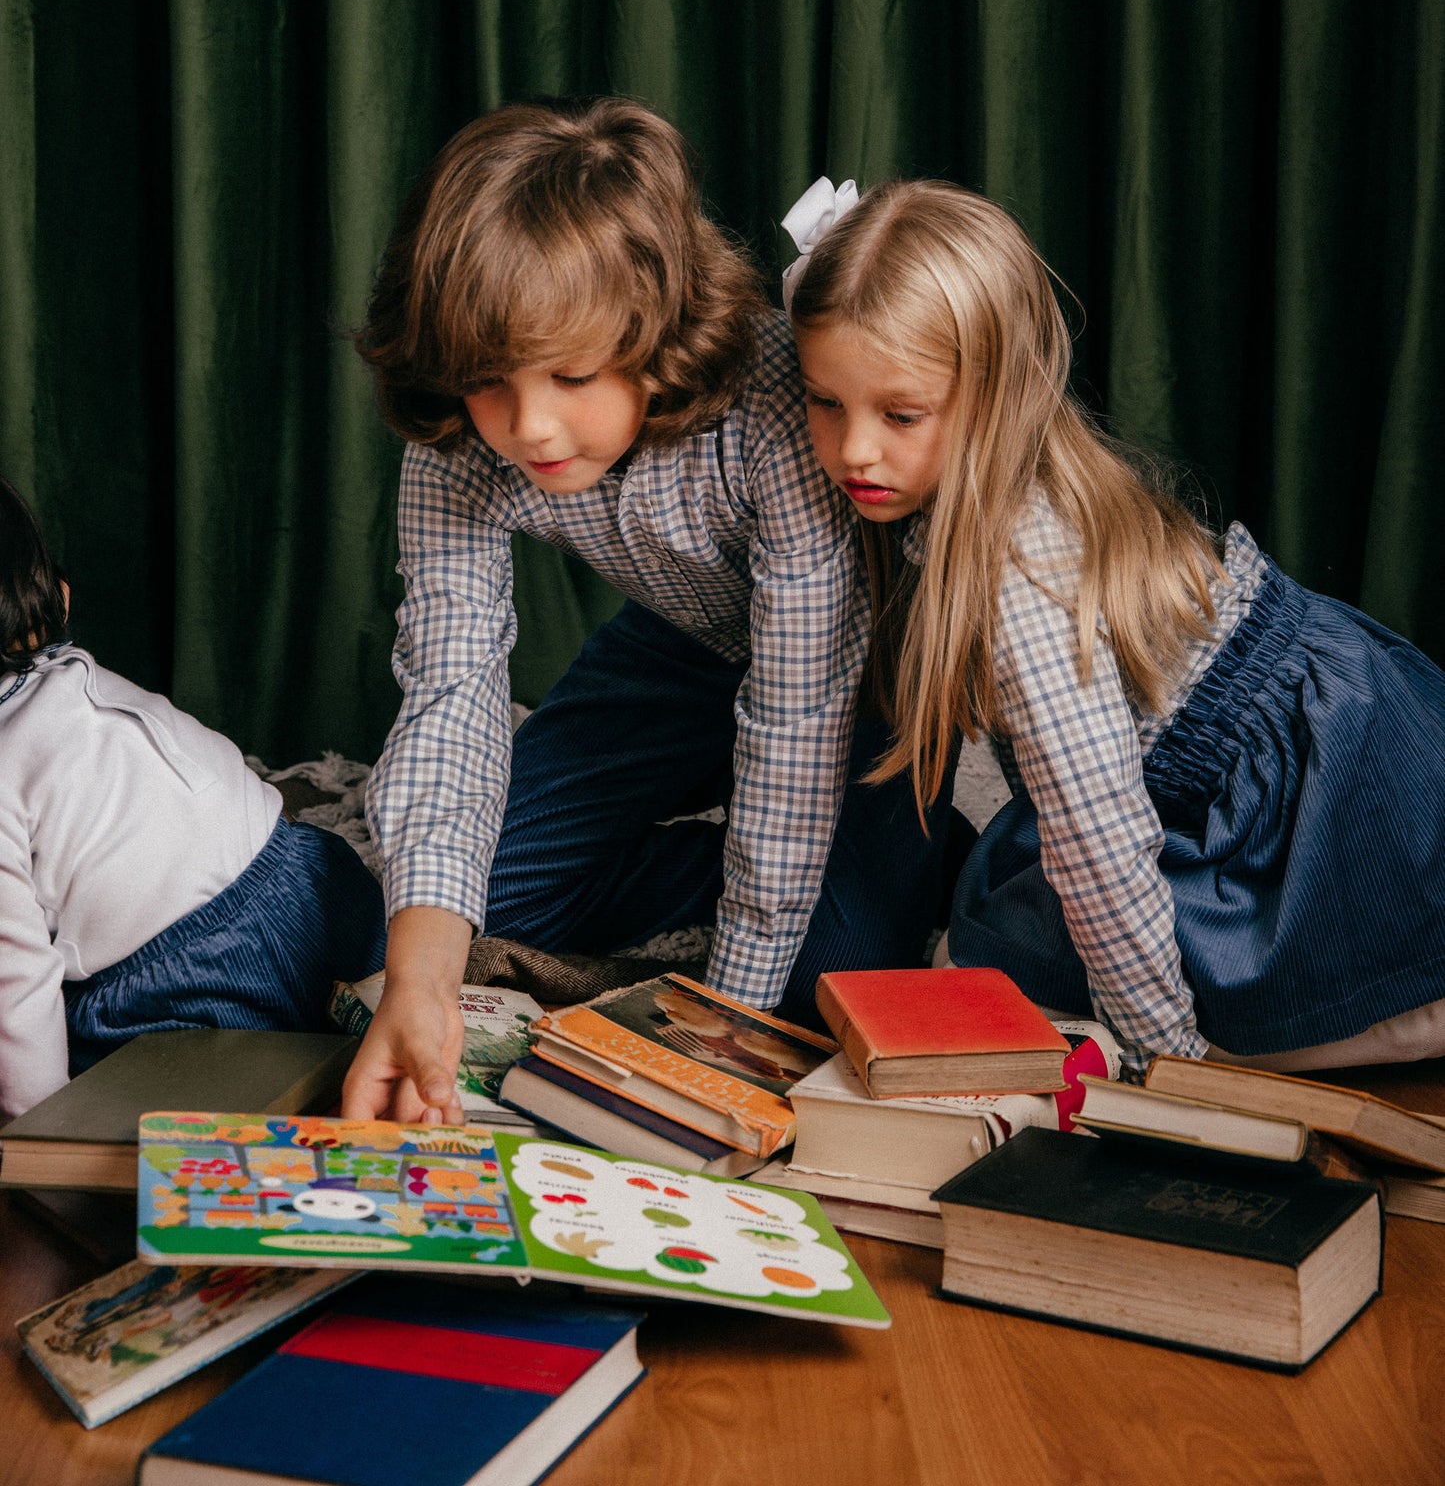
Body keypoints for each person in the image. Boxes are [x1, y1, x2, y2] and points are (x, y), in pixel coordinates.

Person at [343, 99, 953, 1125]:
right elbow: (451, 687)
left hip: (844, 682)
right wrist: (420, 972)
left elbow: (794, 724)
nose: (527, 425)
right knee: (435, 907)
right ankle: (716, 866)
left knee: (824, 976)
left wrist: (729, 1019)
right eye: (490, 382)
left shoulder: (770, 403)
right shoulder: (458, 439)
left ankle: (918, 845)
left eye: (572, 375)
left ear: (650, 331)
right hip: (676, 652)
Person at [785, 175, 1445, 1074]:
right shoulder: (972, 500)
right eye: (826, 402)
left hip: (1321, 800)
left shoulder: (1026, 581)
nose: (855, 448)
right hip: (1185, 779)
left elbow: (1099, 842)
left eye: (899, 414)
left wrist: (1159, 1058)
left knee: (1050, 981)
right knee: (995, 938)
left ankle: (1399, 1009)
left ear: (997, 392)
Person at [0, 476, 386, 1121]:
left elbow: (14, 991)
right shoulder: (73, 675)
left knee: (86, 1058)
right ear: (59, 599)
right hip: (317, 893)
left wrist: (38, 1138)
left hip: (189, 989)